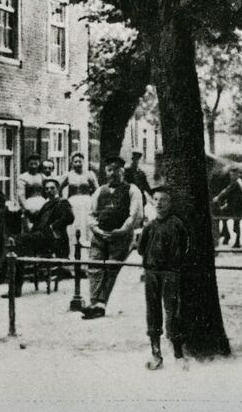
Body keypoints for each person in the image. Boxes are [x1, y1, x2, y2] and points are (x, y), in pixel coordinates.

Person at [81, 155, 144, 320]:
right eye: (109, 170)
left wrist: (122, 230)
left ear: (123, 172)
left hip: (120, 237)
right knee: (94, 266)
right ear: (105, 172)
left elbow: (135, 214)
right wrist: (97, 230)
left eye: (117, 170)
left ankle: (101, 304)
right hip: (100, 235)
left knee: (111, 268)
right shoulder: (100, 191)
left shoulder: (132, 190)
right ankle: (94, 302)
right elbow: (91, 214)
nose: (113, 173)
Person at [139, 186, 189, 369]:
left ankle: (178, 354)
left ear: (170, 203)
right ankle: (156, 353)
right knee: (153, 311)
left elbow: (185, 247)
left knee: (172, 311)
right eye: (156, 200)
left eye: (164, 200)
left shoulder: (176, 224)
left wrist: (173, 262)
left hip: (170, 273)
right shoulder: (150, 226)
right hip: (152, 272)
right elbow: (140, 248)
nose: (159, 203)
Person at [10, 177, 75, 296]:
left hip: (54, 240)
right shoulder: (46, 204)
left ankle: (16, 287)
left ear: (57, 189)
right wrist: (26, 211)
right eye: (47, 189)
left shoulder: (62, 202)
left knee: (18, 241)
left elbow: (70, 217)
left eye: (52, 188)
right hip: (41, 237)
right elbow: (37, 219)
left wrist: (53, 226)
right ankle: (15, 286)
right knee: (16, 243)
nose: (49, 190)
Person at [61, 151, 99, 250]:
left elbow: (96, 189)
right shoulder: (68, 175)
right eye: (75, 162)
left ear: (83, 162)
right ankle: (74, 242)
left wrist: (93, 200)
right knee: (75, 222)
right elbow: (59, 187)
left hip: (86, 202)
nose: (78, 164)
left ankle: (87, 241)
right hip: (73, 202)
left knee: (85, 221)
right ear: (72, 163)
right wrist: (62, 199)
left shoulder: (89, 175)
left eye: (80, 161)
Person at [16, 153, 45, 227]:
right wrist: (27, 209)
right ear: (27, 164)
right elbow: (21, 195)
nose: (33, 166)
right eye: (31, 164)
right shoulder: (23, 177)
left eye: (36, 164)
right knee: (30, 227)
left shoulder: (42, 176)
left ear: (39, 164)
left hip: (42, 203)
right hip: (29, 204)